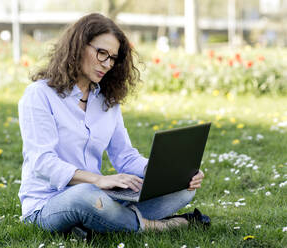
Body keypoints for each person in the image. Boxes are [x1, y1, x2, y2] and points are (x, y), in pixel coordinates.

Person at [18, 13, 209, 236]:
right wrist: (99, 180)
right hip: (49, 202)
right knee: (86, 198)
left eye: (113, 58)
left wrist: (165, 174)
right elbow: (43, 162)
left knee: (182, 190)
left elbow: (125, 156)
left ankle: (95, 223)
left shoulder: (105, 100)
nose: (107, 64)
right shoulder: (39, 95)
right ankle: (160, 225)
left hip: (98, 193)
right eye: (101, 53)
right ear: (78, 46)